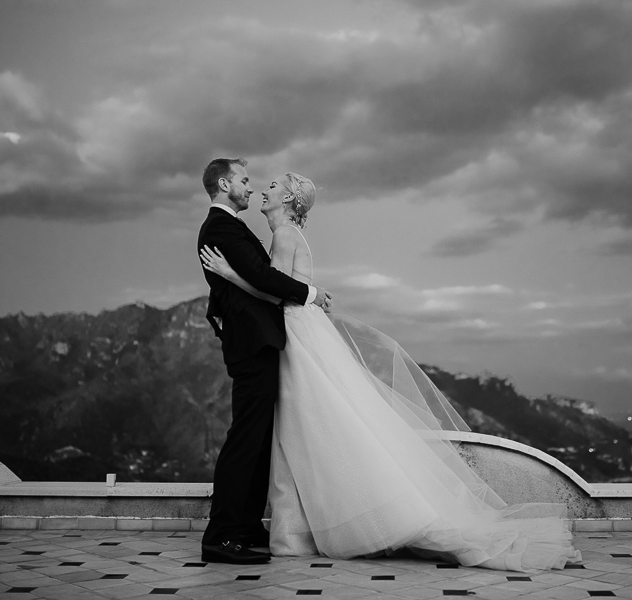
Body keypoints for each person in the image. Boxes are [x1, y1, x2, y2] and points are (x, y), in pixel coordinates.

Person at [200, 172, 581, 572]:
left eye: (274, 186)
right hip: (299, 331)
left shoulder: (284, 235)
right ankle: (306, 526)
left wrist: (228, 275)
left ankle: (307, 529)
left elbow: (273, 288)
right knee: (314, 424)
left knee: (307, 425)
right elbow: (278, 284)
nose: (263, 188)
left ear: (290, 198)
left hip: (295, 335)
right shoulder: (288, 233)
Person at [196, 159, 332, 565]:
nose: (251, 187)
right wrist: (311, 292)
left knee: (257, 437)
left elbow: (250, 277)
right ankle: (221, 534)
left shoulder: (239, 228)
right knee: (246, 437)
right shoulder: (222, 226)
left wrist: (224, 288)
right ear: (224, 184)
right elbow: (262, 278)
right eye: (244, 180)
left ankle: (246, 525)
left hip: (261, 340)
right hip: (253, 343)